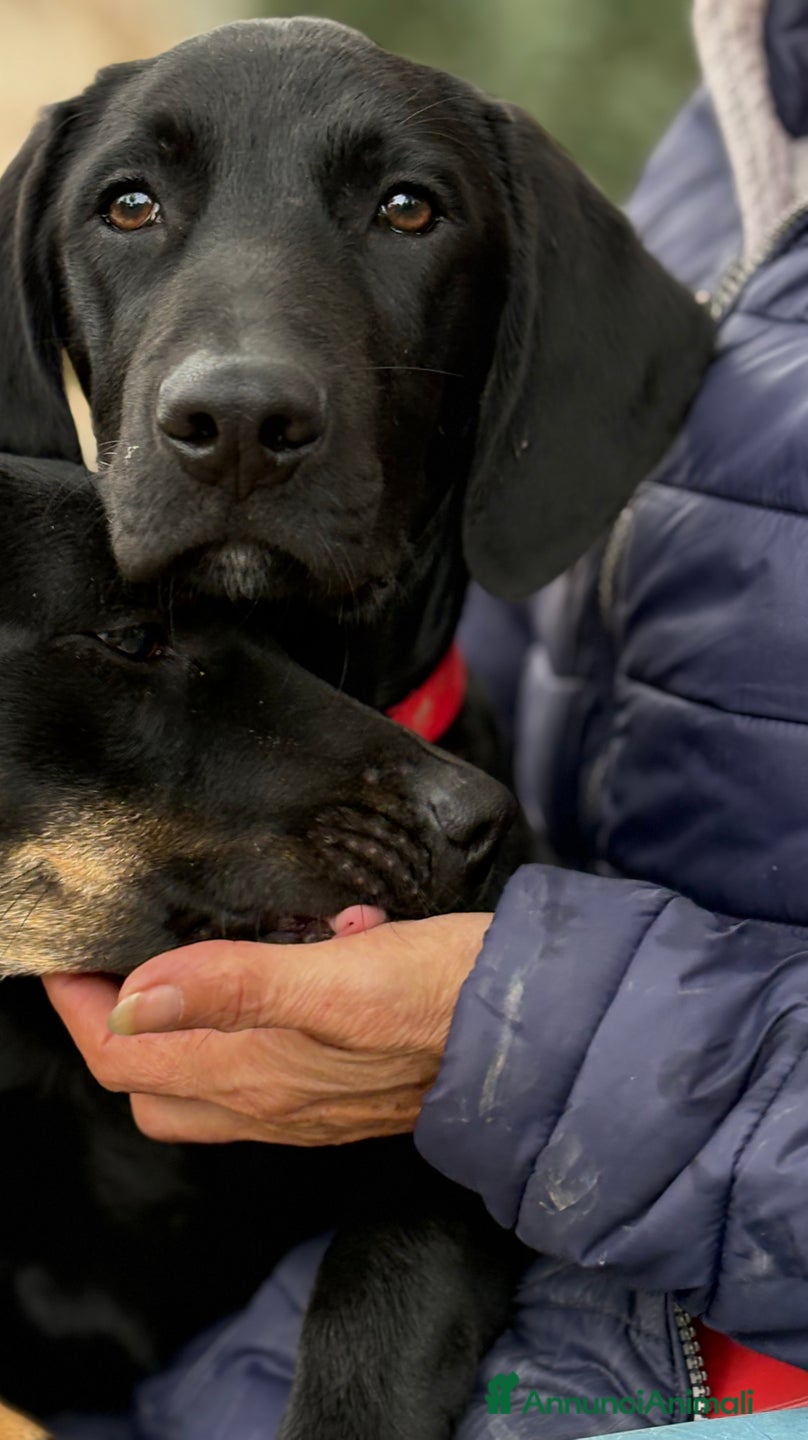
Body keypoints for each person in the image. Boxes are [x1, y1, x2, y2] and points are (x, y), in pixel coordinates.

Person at [44, 0, 808, 1432]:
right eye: (132, 205)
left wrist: (502, 1049)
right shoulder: (738, 126)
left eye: (403, 209)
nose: (239, 388)